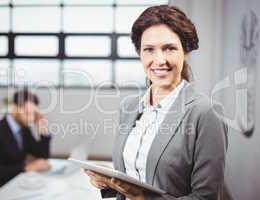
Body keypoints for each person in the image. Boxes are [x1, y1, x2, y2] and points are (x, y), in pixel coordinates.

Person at [86, 5, 228, 200]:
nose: (159, 60)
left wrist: (144, 198)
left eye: (169, 48)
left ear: (185, 52)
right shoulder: (129, 108)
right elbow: (139, 178)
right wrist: (109, 182)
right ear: (140, 54)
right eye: (149, 50)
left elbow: (206, 197)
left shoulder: (206, 113)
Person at [0, 89, 51, 198]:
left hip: (17, 183)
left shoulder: (24, 129)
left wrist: (42, 124)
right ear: (14, 109)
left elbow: (42, 155)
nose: (31, 118)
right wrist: (26, 168)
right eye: (28, 113)